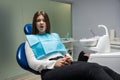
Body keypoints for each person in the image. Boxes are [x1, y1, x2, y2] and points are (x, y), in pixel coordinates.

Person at [25, 10, 120, 80]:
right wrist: (54, 64)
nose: (41, 22)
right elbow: (32, 63)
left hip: (65, 63)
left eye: (44, 20)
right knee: (92, 68)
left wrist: (68, 57)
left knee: (101, 67)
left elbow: (65, 52)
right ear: (35, 23)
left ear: (47, 23)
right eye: (38, 20)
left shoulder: (54, 36)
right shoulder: (30, 40)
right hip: (49, 70)